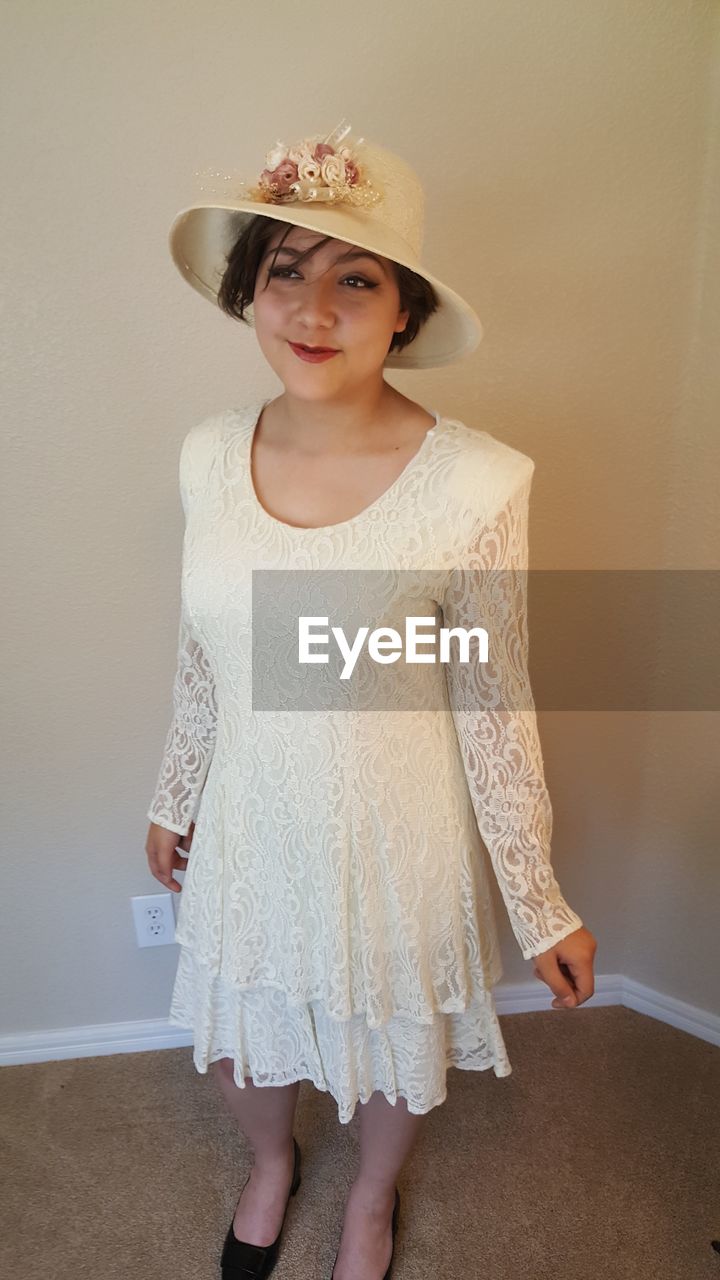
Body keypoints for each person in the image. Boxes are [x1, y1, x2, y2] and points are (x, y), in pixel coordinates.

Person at [145, 122, 597, 1280]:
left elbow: (492, 695)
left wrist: (537, 901)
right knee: (242, 1040)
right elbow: (208, 649)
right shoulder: (205, 454)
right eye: (284, 270)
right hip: (252, 821)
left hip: (399, 830)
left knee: (393, 1039)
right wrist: (176, 786)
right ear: (250, 290)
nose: (314, 308)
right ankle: (271, 1164)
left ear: (404, 311)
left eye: (356, 277)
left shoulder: (479, 481)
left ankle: (373, 1201)